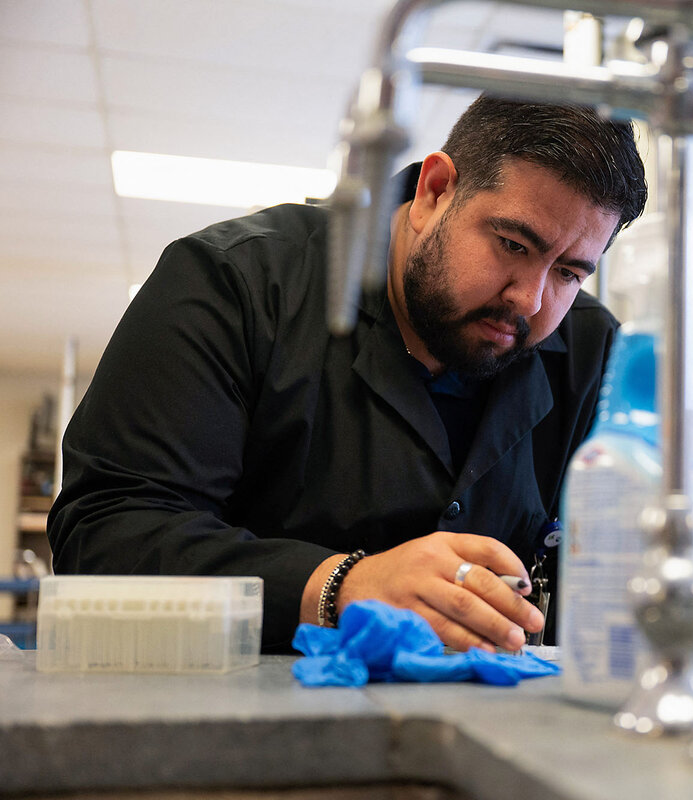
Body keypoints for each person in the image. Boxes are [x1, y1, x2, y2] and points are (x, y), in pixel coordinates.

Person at [47, 95, 648, 654]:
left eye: (569, 273)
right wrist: (338, 587)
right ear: (436, 191)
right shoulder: (234, 286)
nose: (529, 299)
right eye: (514, 245)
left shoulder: (593, 352)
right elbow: (106, 536)